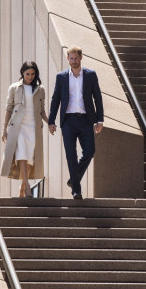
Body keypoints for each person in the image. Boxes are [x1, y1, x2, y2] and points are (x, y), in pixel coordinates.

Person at [48, 46, 104, 199]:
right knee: (70, 155)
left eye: (76, 58)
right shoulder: (61, 77)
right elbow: (55, 99)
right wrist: (51, 121)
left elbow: (97, 98)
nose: (73, 61)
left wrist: (100, 119)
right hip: (68, 121)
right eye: (71, 58)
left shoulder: (91, 75)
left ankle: (73, 179)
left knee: (90, 151)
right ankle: (76, 190)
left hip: (86, 119)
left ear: (81, 58)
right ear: (68, 59)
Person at [0, 61, 49, 197]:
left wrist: (50, 123)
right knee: (21, 153)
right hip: (18, 126)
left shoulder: (40, 89)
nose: (30, 76)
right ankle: (27, 186)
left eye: (33, 74)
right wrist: (4, 130)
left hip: (33, 126)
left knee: (29, 158)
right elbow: (8, 109)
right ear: (22, 73)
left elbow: (42, 111)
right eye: (27, 74)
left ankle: (22, 186)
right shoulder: (14, 88)